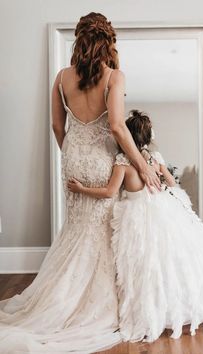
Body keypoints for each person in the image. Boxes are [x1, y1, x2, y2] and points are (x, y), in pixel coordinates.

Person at [0, 13, 161, 354]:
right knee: (103, 231)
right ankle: (97, 303)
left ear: (78, 39)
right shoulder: (114, 76)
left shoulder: (61, 77)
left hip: (73, 156)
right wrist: (140, 166)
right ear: (109, 40)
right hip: (103, 158)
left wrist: (73, 153)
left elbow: (59, 128)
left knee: (76, 228)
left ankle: (58, 297)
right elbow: (118, 126)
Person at [68, 109, 203, 342]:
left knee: (144, 265)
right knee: (170, 260)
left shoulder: (122, 163)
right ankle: (178, 307)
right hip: (163, 210)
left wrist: (81, 189)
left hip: (137, 216)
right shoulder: (156, 159)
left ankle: (150, 312)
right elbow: (172, 183)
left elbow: (109, 192)